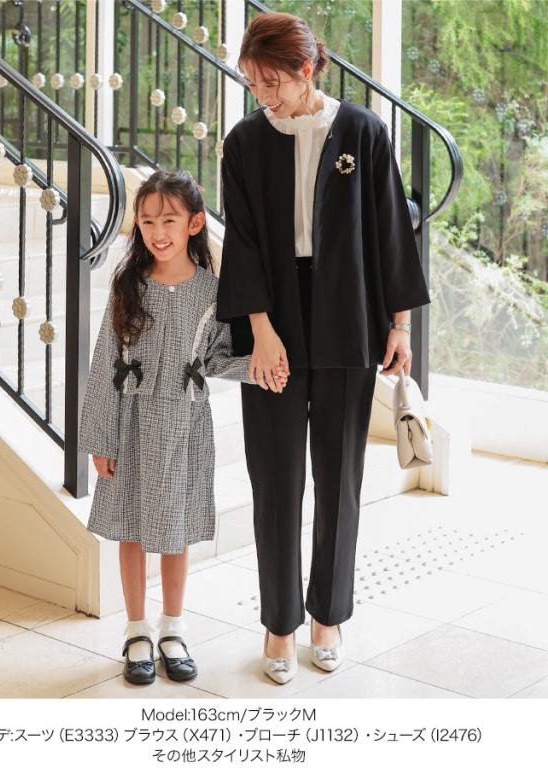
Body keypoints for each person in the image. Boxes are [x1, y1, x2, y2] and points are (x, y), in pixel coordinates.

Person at [217, 12, 431, 684]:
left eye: (272, 81)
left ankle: (328, 617)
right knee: (275, 477)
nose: (262, 95)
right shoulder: (245, 141)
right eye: (252, 82)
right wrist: (260, 331)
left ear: (306, 69)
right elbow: (242, 240)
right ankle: (279, 625)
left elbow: (391, 230)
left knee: (339, 477)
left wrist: (399, 326)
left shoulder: (363, 130)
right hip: (271, 317)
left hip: (349, 315)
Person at [78, 169, 288, 686]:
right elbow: (106, 360)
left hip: (185, 422)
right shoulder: (128, 286)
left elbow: (215, 359)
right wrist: (100, 438)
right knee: (129, 526)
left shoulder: (214, 292)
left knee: (176, 529)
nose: (157, 231)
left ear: (194, 223)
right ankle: (136, 631)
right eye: (147, 221)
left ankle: (173, 628)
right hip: (130, 421)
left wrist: (261, 370)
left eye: (168, 220)